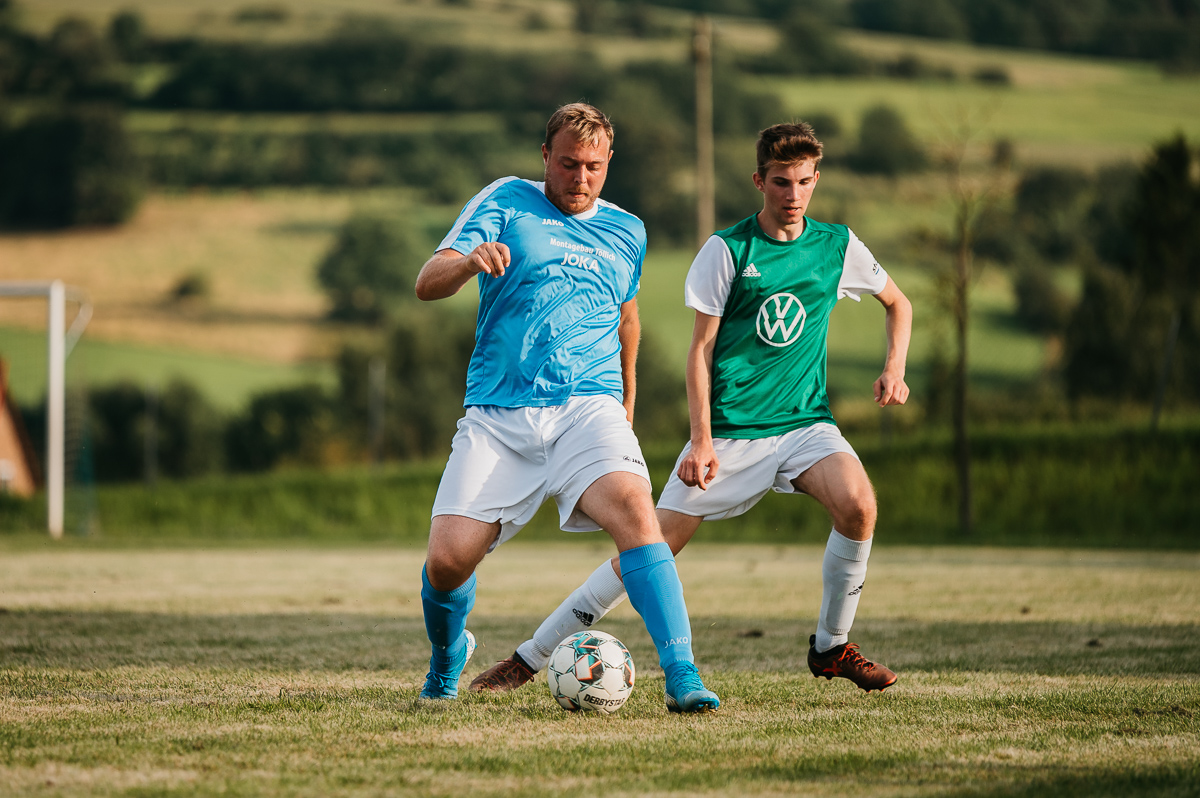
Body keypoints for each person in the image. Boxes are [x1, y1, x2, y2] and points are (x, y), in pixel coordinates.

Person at [470, 121, 912, 695]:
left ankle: (831, 647)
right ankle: (529, 658)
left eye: (804, 182)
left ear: (816, 180)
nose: (794, 194)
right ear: (760, 181)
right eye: (781, 182)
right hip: (728, 433)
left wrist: (894, 367)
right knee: (646, 550)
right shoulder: (727, 251)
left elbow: (897, 302)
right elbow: (699, 352)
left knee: (858, 505)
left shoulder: (837, 245)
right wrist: (701, 440)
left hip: (805, 424)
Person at [412, 103, 719, 713]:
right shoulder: (505, 200)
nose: (581, 177)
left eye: (595, 167)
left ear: (609, 166)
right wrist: (470, 261)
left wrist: (625, 401)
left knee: (637, 515)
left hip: (588, 407)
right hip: (500, 414)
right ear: (545, 158)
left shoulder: (628, 230)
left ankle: (682, 676)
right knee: (446, 564)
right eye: (570, 163)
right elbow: (427, 280)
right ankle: (448, 657)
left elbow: (628, 321)